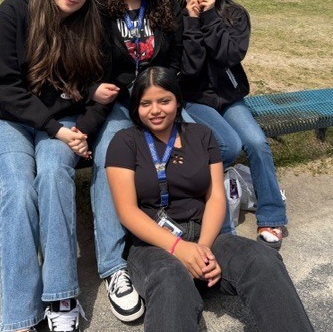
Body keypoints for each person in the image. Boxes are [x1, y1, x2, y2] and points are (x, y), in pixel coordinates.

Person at [105, 66, 315, 332]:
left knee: (263, 260)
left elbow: (216, 196)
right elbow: (127, 211)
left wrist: (202, 249)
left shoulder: (202, 136)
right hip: (153, 245)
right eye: (146, 103)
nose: (155, 110)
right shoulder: (125, 142)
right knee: (171, 281)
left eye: (164, 101)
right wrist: (179, 249)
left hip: (207, 235)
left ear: (178, 101)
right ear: (136, 107)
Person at [0, 0, 110, 332]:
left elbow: (99, 91)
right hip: (10, 121)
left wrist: (80, 128)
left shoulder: (90, 23)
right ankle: (21, 317)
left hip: (65, 122)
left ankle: (61, 295)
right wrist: (56, 129)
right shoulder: (14, 12)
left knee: (53, 174)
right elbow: (3, 85)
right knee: (18, 191)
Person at [88, 0, 183, 322]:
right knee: (107, 160)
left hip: (155, 100)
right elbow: (82, 53)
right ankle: (114, 267)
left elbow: (174, 59)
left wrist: (160, 96)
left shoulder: (165, 7)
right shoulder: (96, 0)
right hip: (116, 104)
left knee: (210, 143)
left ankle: (177, 229)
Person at [178, 0, 289, 249]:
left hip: (229, 97)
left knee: (256, 143)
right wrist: (191, 21)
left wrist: (211, 15)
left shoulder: (235, 15)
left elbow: (229, 56)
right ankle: (220, 198)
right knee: (229, 145)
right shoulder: (180, 17)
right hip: (195, 99)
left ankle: (272, 215)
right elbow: (190, 68)